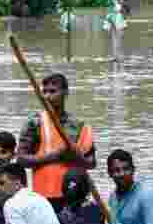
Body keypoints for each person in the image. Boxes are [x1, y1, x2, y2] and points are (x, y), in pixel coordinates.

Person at [15, 72, 96, 213]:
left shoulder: (79, 125)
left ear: (65, 93)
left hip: (75, 196)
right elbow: (21, 159)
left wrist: (76, 159)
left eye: (53, 91)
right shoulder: (35, 122)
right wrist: (53, 157)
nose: (47, 96)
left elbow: (91, 163)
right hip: (45, 197)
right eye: (44, 92)